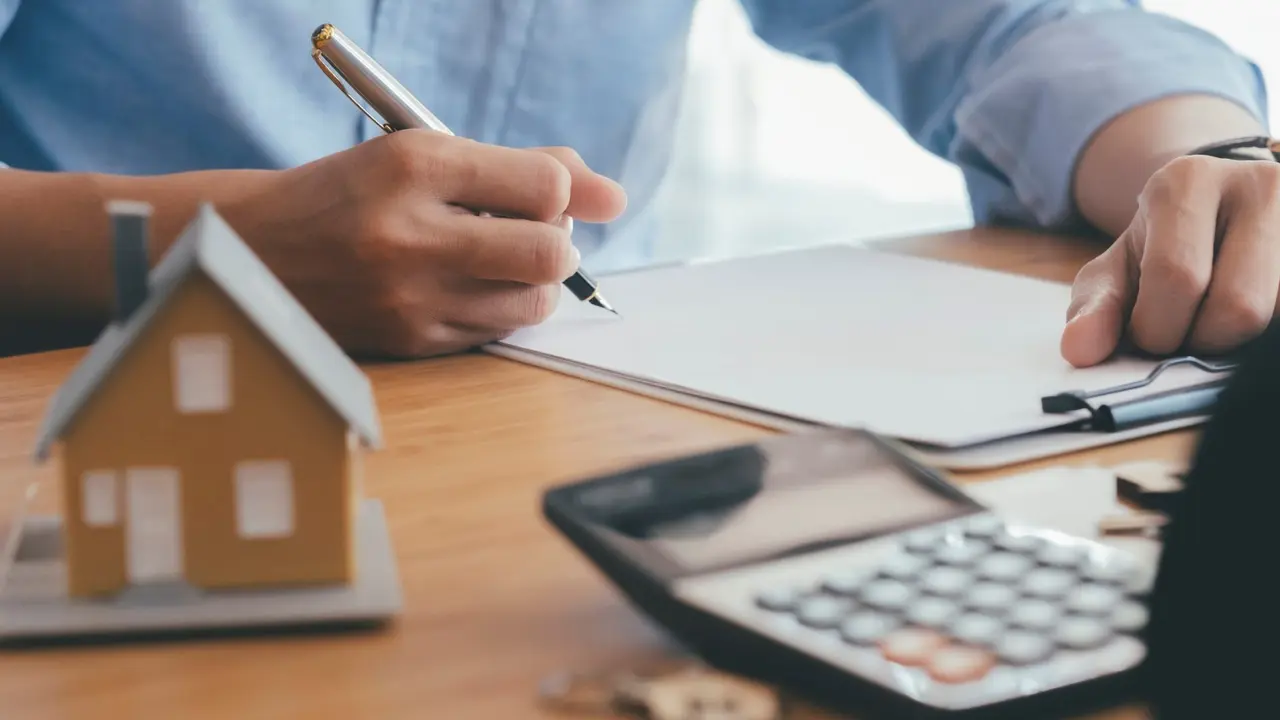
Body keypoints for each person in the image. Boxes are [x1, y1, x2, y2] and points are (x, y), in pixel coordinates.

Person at [0, 1, 1273, 363]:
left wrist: (1205, 162)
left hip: (568, 422)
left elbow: (1008, 22)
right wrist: (200, 248)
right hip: (90, 418)